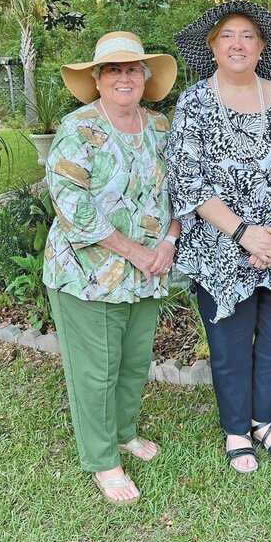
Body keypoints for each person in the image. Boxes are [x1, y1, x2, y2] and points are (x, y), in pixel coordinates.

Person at [167, 0, 271, 474]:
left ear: (261, 48)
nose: (238, 43)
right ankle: (236, 428)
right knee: (230, 342)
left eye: (248, 36)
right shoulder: (194, 102)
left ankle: (264, 419)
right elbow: (186, 179)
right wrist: (244, 234)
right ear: (212, 47)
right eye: (227, 35)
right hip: (221, 247)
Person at [43, 31, 180, 504]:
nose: (124, 77)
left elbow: (181, 191)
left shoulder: (161, 127)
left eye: (132, 70)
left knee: (133, 362)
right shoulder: (77, 129)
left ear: (145, 79)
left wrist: (168, 241)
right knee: (96, 371)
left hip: (149, 269)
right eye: (113, 70)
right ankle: (103, 460)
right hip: (86, 273)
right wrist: (137, 252)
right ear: (98, 80)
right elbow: (71, 205)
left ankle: (124, 433)